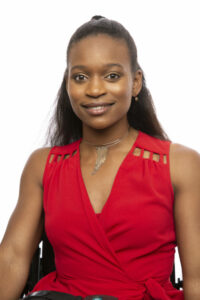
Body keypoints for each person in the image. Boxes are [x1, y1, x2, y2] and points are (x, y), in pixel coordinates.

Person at [0, 15, 200, 300]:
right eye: (80, 77)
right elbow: (12, 258)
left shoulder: (180, 164)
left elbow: (197, 279)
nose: (94, 90)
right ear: (67, 83)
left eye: (112, 76)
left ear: (136, 83)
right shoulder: (43, 165)